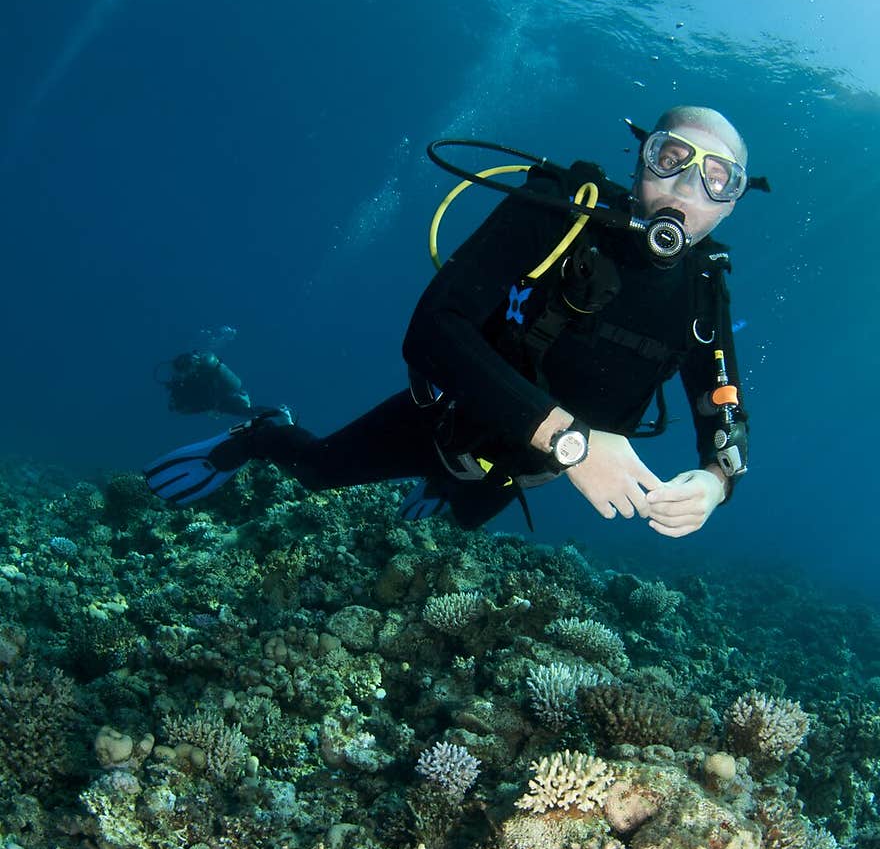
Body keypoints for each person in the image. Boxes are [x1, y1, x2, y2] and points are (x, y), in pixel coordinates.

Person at [145, 106, 763, 538]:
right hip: (447, 419)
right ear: (640, 161)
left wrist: (714, 484)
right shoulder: (559, 216)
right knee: (317, 471)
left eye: (715, 177)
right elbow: (432, 329)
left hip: (526, 468)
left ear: (732, 203)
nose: (686, 186)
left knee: (462, 519)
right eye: (671, 157)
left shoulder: (704, 291)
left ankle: (445, 491)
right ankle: (259, 432)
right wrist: (571, 442)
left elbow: (722, 411)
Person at [156, 350, 252, 417]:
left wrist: (213, 408)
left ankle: (256, 411)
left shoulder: (201, 376)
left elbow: (209, 400)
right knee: (241, 411)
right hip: (215, 398)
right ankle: (250, 408)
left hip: (220, 398)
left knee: (243, 411)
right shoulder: (187, 379)